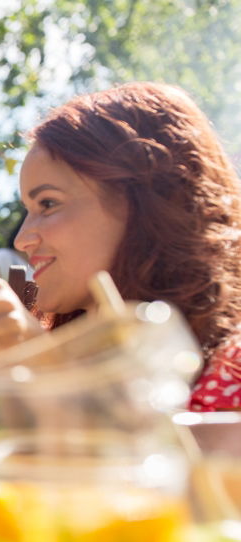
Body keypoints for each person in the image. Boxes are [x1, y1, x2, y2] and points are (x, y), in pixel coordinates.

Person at [13, 81, 241, 410]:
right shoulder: (56, 359)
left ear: (143, 202)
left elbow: (168, 453)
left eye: (48, 204)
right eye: (28, 211)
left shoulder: (232, 369)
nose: (22, 239)